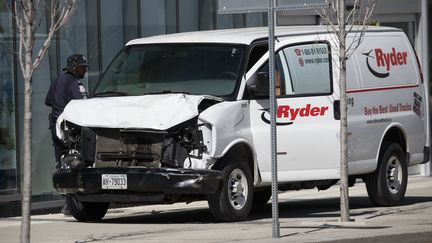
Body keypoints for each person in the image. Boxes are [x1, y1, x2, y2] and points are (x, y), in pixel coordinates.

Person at [45, 54, 88, 216]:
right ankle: (72, 204)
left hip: (56, 127)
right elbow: (83, 103)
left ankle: (68, 202)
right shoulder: (74, 82)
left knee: (63, 163)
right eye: (83, 67)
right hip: (70, 130)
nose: (85, 70)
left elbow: (49, 101)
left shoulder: (57, 80)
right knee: (76, 163)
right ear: (74, 67)